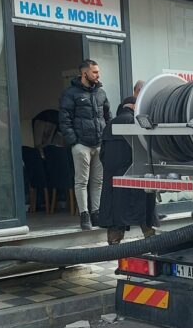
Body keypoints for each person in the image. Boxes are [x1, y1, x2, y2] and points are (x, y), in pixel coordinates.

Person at [98, 80, 157, 244]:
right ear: (134, 106)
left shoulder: (109, 125)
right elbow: (147, 150)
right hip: (135, 178)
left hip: (113, 181)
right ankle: (152, 245)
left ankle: (114, 247)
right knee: (144, 214)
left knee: (116, 216)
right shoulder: (137, 123)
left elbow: (102, 155)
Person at [59, 59, 109, 230]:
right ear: (84, 73)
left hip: (99, 144)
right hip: (81, 145)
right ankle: (84, 215)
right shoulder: (70, 93)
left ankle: (96, 213)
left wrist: (106, 138)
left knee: (98, 181)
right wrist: (74, 142)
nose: (98, 75)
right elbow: (64, 119)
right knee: (81, 181)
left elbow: (107, 117)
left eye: (98, 71)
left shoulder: (101, 93)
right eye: (94, 72)